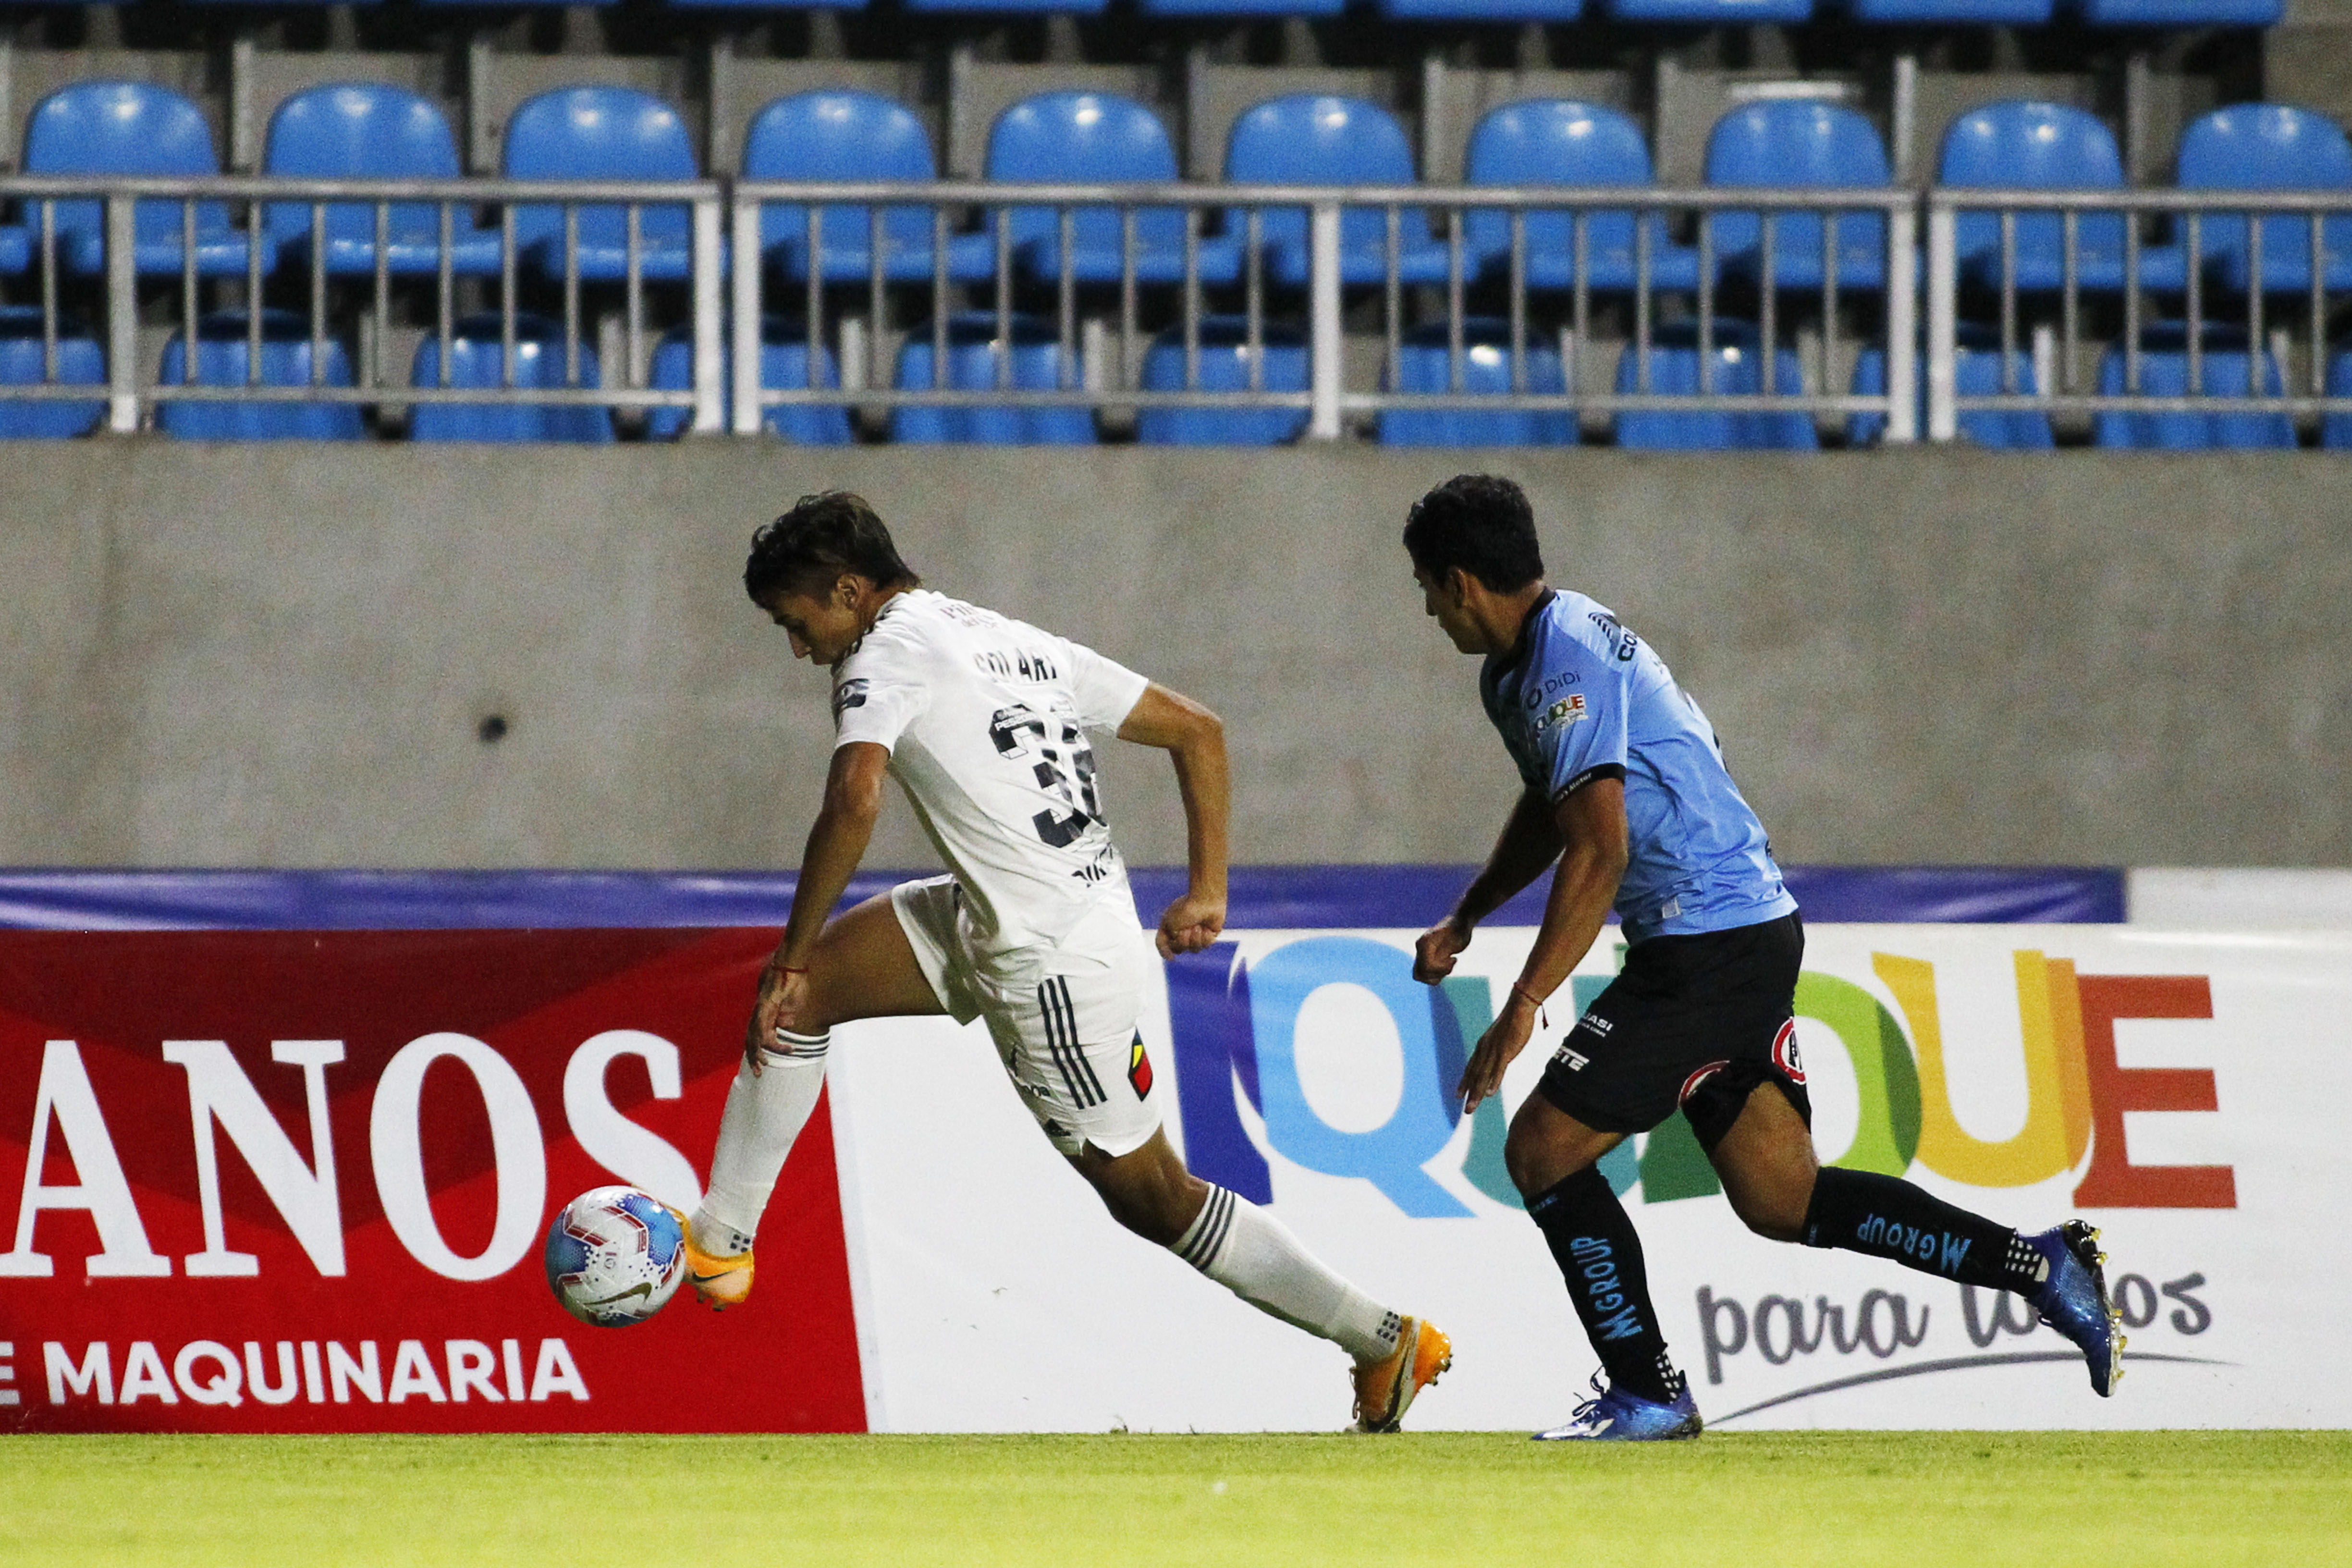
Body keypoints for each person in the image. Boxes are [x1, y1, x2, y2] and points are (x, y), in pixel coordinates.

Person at [681, 491, 1450, 1432]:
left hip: (1048, 966)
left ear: (848, 590)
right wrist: (1208, 888)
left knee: (1155, 1200)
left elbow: (855, 799)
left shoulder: (883, 654)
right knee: (805, 1004)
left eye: (798, 625)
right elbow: (1198, 729)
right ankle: (721, 1242)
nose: (801, 649)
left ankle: (1383, 1339)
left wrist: (788, 952)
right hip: (1008, 913)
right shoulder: (1006, 638)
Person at [1401, 473, 2119, 1442]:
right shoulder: (1526, 667)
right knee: (1784, 1200)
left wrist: (1526, 1002)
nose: (1430, 615)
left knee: (1540, 1151)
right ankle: (2040, 1267)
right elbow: (1556, 806)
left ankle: (1651, 1391)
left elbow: (1602, 850)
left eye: (1429, 593)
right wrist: (1470, 915)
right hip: (1737, 931)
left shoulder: (1562, 661)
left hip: (1709, 944)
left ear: (1462, 581)